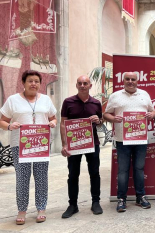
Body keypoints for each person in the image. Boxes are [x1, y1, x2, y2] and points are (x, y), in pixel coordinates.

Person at [0, 70, 57, 225]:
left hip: (41, 145)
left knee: (41, 177)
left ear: (40, 83)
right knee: (22, 179)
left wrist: (52, 123)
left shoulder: (45, 100)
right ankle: (22, 210)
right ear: (23, 83)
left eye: (37, 81)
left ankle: (41, 209)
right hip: (20, 145)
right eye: (30, 81)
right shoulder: (13, 100)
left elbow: (53, 117)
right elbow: (2, 121)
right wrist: (10, 126)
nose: (33, 84)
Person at [103, 72, 155, 212]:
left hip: (140, 139)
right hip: (122, 140)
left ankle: (140, 197)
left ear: (137, 81)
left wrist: (152, 114)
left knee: (139, 169)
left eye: (133, 79)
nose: (130, 81)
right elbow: (106, 114)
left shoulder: (144, 94)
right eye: (128, 79)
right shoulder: (115, 96)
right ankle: (121, 199)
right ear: (123, 80)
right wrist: (113, 119)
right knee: (123, 170)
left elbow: (153, 111)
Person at [60, 75, 103, 218]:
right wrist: (65, 144)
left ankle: (95, 202)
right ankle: (73, 205)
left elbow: (101, 122)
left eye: (85, 83)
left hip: (93, 143)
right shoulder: (68, 102)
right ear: (76, 85)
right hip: (74, 145)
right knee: (73, 174)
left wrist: (98, 120)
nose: (83, 85)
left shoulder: (96, 103)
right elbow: (63, 123)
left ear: (90, 86)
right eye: (80, 83)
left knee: (94, 173)